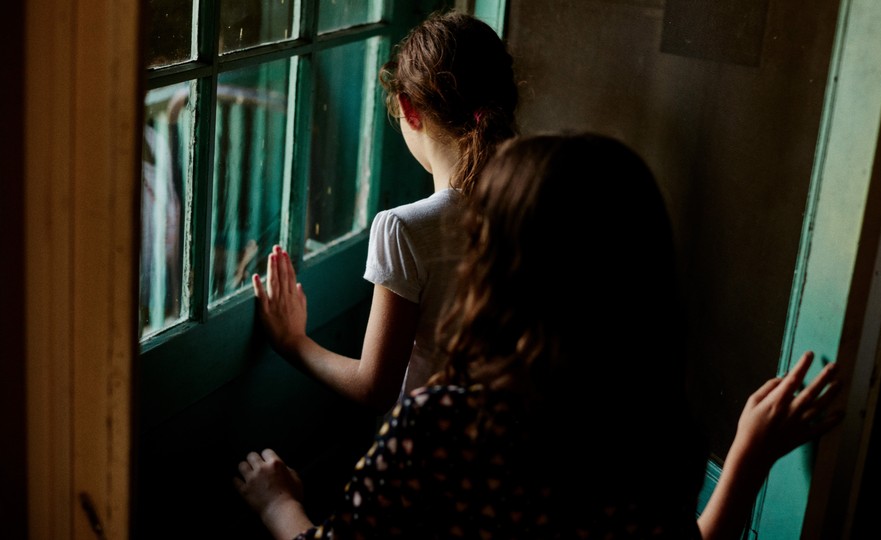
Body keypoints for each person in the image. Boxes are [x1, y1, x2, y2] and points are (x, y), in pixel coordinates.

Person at [235, 133, 843, 539]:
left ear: (496, 274)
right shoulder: (654, 436)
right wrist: (746, 459)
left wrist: (278, 503)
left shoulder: (441, 428)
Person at [251, 10, 519, 413]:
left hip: (423, 452)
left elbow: (374, 388)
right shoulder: (532, 201)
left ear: (410, 110)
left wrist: (293, 342)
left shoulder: (405, 229)